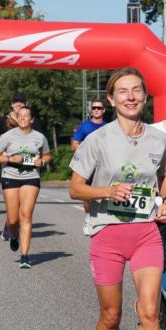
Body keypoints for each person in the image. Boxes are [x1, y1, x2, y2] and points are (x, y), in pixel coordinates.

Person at [68, 67, 166, 330]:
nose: (131, 96)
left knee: (149, 311)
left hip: (146, 233)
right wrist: (108, 190)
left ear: (145, 97)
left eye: (137, 90)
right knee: (111, 316)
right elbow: (74, 188)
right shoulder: (96, 141)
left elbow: (165, 179)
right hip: (108, 235)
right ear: (112, 100)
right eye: (123, 91)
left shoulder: (160, 140)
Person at [0, 107, 51, 269]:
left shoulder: (39, 137)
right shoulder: (8, 136)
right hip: (10, 176)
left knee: (26, 215)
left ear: (32, 120)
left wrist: (43, 161)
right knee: (13, 220)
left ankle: (25, 256)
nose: (23, 118)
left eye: (27, 116)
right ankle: (13, 236)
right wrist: (11, 158)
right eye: (21, 116)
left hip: (31, 177)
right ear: (17, 119)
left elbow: (47, 154)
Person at [0, 92, 43, 240]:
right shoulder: (4, 120)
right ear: (12, 104)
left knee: (23, 202)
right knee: (13, 202)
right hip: (10, 164)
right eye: (16, 102)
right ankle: (11, 225)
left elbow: (40, 140)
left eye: (21, 101)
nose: (18, 104)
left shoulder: (32, 121)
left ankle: (10, 226)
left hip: (29, 168)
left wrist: (40, 158)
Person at [72, 99, 108, 235]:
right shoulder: (84, 126)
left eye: (99, 108)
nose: (96, 110)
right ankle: (89, 215)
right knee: (87, 195)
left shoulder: (108, 127)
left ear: (103, 110)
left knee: (102, 192)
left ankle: (102, 219)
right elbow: (75, 144)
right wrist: (86, 153)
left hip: (104, 165)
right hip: (88, 165)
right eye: (94, 108)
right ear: (91, 110)